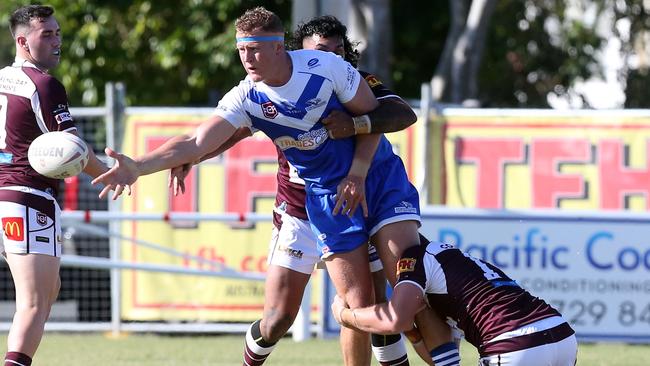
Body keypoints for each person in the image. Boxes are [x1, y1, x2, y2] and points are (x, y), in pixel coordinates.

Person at [92, 7, 454, 365]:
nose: (246, 58)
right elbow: (198, 140)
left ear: (280, 47)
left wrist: (357, 172)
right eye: (241, 50)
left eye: (255, 48)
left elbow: (378, 118)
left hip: (376, 180)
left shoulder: (327, 68)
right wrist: (138, 166)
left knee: (407, 287)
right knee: (339, 309)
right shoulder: (246, 96)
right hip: (323, 199)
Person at [0, 5, 108, 366]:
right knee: (34, 303)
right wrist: (110, 172)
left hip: (8, 196)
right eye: (46, 35)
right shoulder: (43, 84)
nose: (57, 41)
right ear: (22, 41)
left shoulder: (2, 79)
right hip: (27, 199)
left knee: (48, 292)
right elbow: (74, 149)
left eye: (58, 33)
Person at [331, 240, 579, 366]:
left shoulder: (413, 260)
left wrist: (345, 316)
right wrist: (415, 335)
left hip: (513, 343)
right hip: (561, 334)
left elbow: (395, 319)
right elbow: (445, 358)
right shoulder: (450, 266)